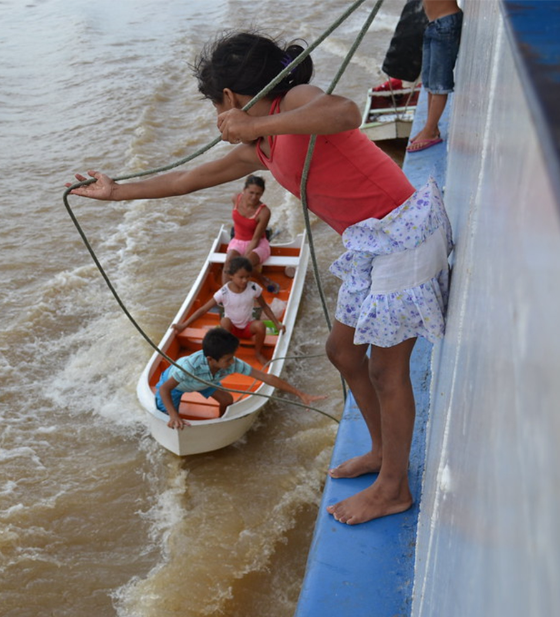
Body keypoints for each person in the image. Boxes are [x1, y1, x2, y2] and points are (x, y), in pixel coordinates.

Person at [67, 31, 453, 525]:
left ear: (229, 98)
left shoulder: (294, 102)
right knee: (343, 352)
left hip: (405, 234)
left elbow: (345, 113)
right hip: (371, 244)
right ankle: (382, 454)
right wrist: (117, 192)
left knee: (385, 370)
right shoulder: (263, 146)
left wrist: (260, 120)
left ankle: (393, 489)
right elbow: (189, 179)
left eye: (216, 105)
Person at [156, 327, 324, 430]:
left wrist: (300, 394)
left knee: (227, 399)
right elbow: (165, 389)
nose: (232, 363)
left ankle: (218, 423)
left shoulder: (232, 363)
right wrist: (174, 416)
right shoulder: (189, 367)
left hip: (205, 382)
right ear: (210, 360)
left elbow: (266, 377)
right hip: (177, 385)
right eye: (227, 360)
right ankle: (174, 416)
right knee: (167, 418)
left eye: (232, 358)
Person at [173, 256, 285, 366]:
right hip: (231, 330)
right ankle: (227, 354)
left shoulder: (253, 288)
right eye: (241, 277)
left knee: (260, 326)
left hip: (247, 328)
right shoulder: (224, 292)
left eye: (248, 277)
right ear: (231, 276)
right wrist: (184, 325)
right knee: (224, 321)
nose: (245, 280)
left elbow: (265, 306)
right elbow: (203, 310)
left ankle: (258, 353)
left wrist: (277, 324)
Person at [406, 0, 463, 152]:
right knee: (429, 81)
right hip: (431, 24)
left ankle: (430, 131)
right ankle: (431, 127)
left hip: (446, 23)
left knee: (439, 83)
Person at [225, 174, 280, 293]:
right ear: (244, 190)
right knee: (228, 263)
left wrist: (243, 259)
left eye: (258, 194)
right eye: (251, 192)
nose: (254, 197)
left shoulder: (264, 212)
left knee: (244, 266)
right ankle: (225, 295)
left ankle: (262, 279)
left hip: (257, 244)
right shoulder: (235, 198)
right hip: (237, 240)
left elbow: (256, 239)